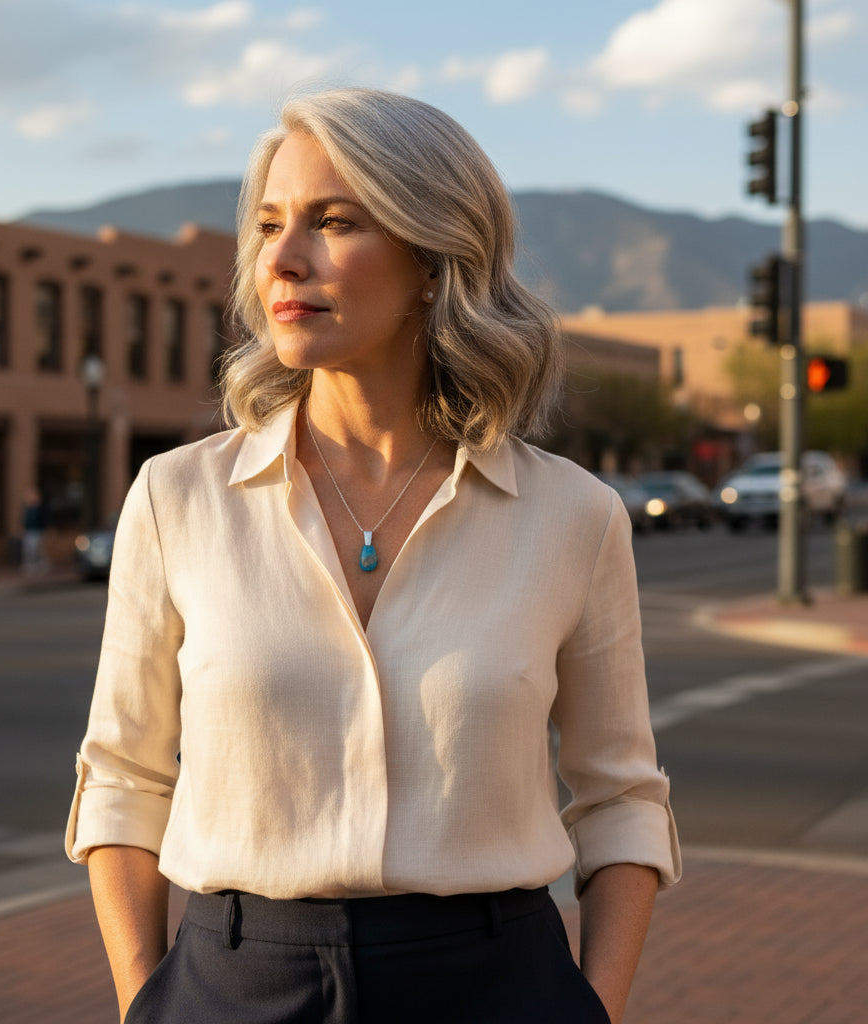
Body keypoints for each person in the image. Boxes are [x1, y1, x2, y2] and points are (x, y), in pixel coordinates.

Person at [66, 87, 681, 1024]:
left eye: (334, 221)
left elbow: (622, 799)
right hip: (234, 983)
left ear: (433, 259)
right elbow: (122, 777)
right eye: (269, 224)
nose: (282, 257)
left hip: (496, 984)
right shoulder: (176, 497)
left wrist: (594, 1009)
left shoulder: (575, 516)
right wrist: (142, 1000)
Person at [21, 485, 48, 575]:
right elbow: (24, 521)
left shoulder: (40, 508)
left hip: (37, 531)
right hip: (29, 532)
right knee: (29, 550)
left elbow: (44, 520)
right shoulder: (26, 508)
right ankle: (30, 566)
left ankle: (41, 565)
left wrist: (45, 530)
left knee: (37, 550)